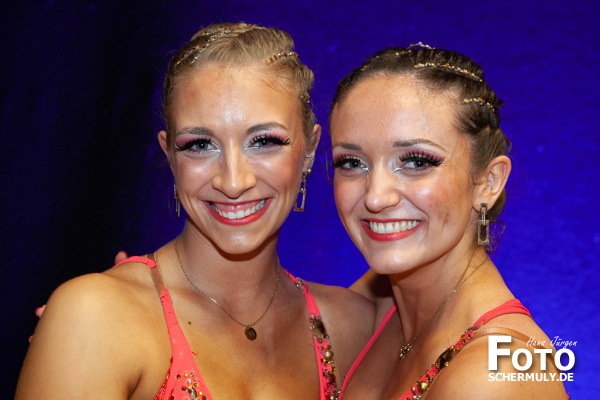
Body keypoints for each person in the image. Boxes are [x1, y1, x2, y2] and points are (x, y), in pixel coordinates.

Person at [16, 23, 374, 400]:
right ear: (170, 154)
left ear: (309, 150)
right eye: (200, 145)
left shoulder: (353, 328)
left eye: (264, 141)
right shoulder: (98, 317)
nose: (233, 181)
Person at [328, 44, 569, 399]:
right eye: (352, 163)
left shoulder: (493, 375)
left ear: (487, 183)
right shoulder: (384, 299)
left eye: (416, 161)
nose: (376, 197)